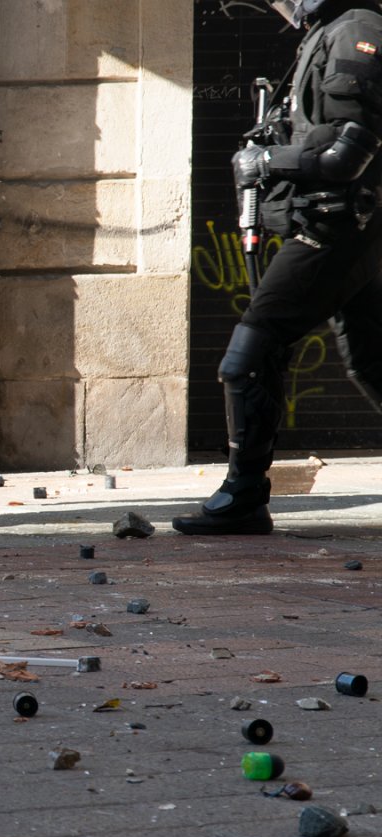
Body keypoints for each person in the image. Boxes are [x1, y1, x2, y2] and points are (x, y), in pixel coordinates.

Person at [174, 0, 382, 535]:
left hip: (335, 229)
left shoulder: (356, 31)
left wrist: (268, 161)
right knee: (372, 363)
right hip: (343, 229)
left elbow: (348, 150)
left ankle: (243, 496)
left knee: (249, 353)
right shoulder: (329, 32)